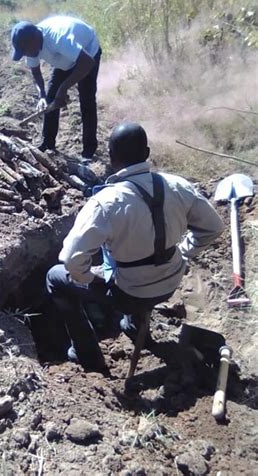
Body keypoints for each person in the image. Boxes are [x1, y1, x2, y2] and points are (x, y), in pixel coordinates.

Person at [45, 122, 225, 373]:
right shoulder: (177, 185)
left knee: (55, 277)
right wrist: (183, 251)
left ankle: (87, 355)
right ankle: (134, 324)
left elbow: (72, 260)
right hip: (170, 282)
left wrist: (91, 278)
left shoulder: (106, 203)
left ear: (111, 157)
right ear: (147, 153)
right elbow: (214, 227)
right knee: (138, 261)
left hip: (130, 293)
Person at [11, 16, 101, 161]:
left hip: (87, 52)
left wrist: (64, 87)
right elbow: (35, 72)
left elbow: (87, 62)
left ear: (34, 40)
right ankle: (48, 144)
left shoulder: (58, 39)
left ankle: (88, 151)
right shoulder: (31, 46)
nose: (26, 55)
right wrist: (41, 96)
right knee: (51, 98)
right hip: (65, 60)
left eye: (25, 51)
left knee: (87, 100)